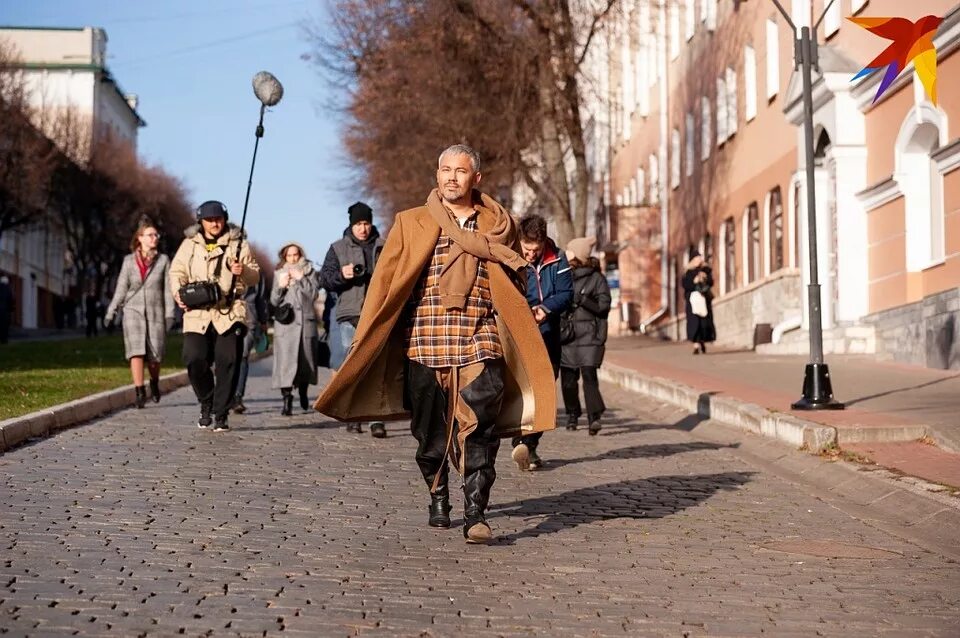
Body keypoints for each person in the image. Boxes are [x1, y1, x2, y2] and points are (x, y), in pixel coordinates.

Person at [314, 144, 556, 544]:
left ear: (475, 178)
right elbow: (386, 282)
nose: (450, 177)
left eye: (460, 171)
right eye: (445, 169)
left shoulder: (499, 224)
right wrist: (364, 338)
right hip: (424, 341)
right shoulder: (412, 222)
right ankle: (437, 487)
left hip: (481, 336)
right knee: (429, 433)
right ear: (437, 173)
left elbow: (514, 280)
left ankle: (475, 512)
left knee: (481, 424)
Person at [169, 200, 260, 432]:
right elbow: (176, 271)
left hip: (229, 312)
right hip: (197, 313)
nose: (214, 223)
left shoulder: (238, 243)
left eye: (218, 219)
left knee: (227, 361)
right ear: (201, 222)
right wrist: (178, 293)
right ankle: (206, 401)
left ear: (224, 219)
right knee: (193, 358)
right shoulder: (189, 244)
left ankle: (221, 413)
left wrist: (243, 271)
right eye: (209, 220)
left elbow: (254, 276)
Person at [319, 201, 387, 438]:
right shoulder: (337, 248)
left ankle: (376, 419)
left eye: (366, 223)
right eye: (359, 224)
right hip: (349, 314)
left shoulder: (383, 246)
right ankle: (352, 415)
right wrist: (342, 275)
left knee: (376, 367)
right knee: (352, 368)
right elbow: (324, 279)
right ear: (351, 225)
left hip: (378, 314)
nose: (363, 228)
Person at [510, 214, 572, 471]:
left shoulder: (557, 258)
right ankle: (519, 439)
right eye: (527, 249)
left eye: (535, 250)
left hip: (549, 331)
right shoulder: (511, 257)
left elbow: (567, 294)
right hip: (521, 332)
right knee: (525, 389)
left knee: (546, 389)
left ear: (544, 242)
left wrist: (545, 309)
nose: (531, 255)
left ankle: (529, 445)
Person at [104, 220, 175, 408]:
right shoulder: (128, 261)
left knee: (154, 357)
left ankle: (154, 381)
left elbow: (168, 289)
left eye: (156, 235)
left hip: (155, 312)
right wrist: (111, 312)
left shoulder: (163, 260)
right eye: (150, 235)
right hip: (132, 312)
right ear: (140, 238)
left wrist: (170, 314)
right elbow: (121, 288)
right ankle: (139, 391)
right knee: (136, 352)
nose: (154, 238)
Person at [559, 237, 611, 435]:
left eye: (570, 251)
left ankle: (593, 418)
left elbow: (603, 306)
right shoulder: (563, 275)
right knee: (568, 379)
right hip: (568, 335)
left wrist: (582, 300)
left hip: (590, 336)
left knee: (589, 376)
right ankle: (572, 414)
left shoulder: (597, 279)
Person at [271, 242, 320, 416]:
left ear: (301, 255)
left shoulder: (310, 272)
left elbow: (314, 294)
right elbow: (274, 301)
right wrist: (281, 286)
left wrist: (302, 279)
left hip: (306, 325)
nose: (292, 258)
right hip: (286, 326)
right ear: (284, 257)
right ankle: (286, 399)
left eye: (295, 255)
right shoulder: (279, 274)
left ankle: (303, 392)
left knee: (305, 363)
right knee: (285, 364)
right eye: (289, 255)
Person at [232, 276, 268, 415]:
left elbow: (261, 299)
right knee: (227, 358)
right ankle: (225, 394)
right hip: (225, 317)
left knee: (242, 356)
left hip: (249, 319)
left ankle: (237, 397)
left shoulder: (255, 272)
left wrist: (263, 320)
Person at [682, 251, 716, 355]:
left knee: (704, 323)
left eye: (699, 258)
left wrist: (704, 278)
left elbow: (711, 282)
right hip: (693, 302)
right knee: (694, 323)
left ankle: (702, 342)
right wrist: (694, 281)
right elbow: (685, 285)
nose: (698, 260)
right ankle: (696, 344)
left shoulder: (706, 270)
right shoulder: (688, 273)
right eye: (696, 258)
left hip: (704, 300)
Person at [0, 274, 13, 344]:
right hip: (5, 311)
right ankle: (4, 340)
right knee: (5, 326)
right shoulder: (8, 289)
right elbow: (10, 300)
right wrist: (11, 310)